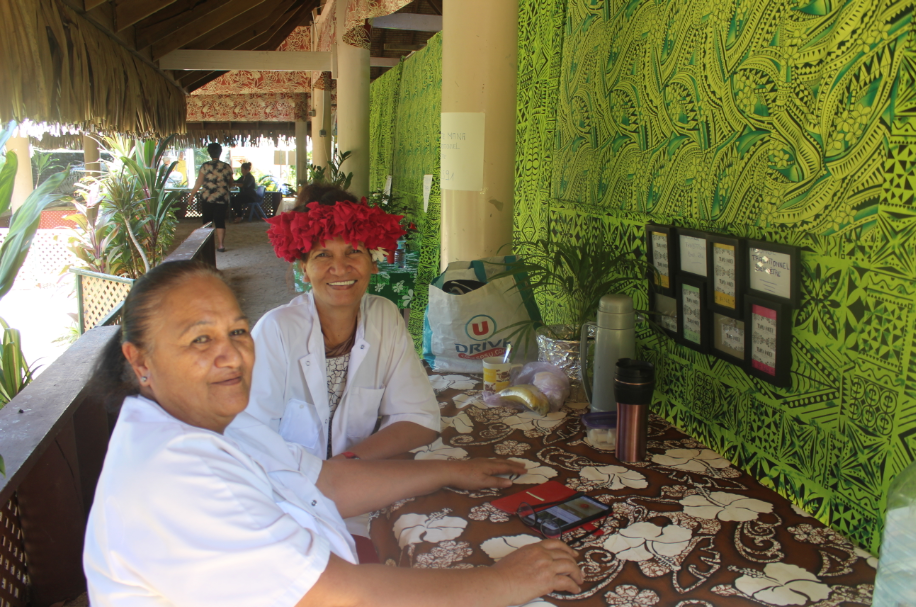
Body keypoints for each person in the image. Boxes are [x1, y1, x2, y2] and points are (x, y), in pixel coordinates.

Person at [83, 260, 583, 606]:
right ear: (140, 362)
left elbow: (325, 482)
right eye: (199, 339)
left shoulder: (216, 425)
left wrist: (454, 470)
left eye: (237, 331)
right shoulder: (176, 476)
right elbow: (341, 596)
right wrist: (502, 582)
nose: (231, 355)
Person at [244, 184, 439, 464]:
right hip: (289, 489)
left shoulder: (385, 317)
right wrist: (321, 481)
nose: (340, 268)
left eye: (353, 252)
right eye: (323, 255)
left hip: (358, 477)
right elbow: (251, 437)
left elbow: (419, 417)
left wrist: (343, 467)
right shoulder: (275, 331)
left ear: (373, 262)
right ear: (305, 271)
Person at [188, 142, 233, 252]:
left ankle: (207, 245)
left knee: (207, 221)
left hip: (207, 197)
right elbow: (231, 183)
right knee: (220, 221)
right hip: (222, 197)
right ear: (220, 152)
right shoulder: (227, 167)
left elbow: (199, 182)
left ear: (209, 152)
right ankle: (221, 245)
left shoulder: (205, 166)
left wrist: (192, 195)